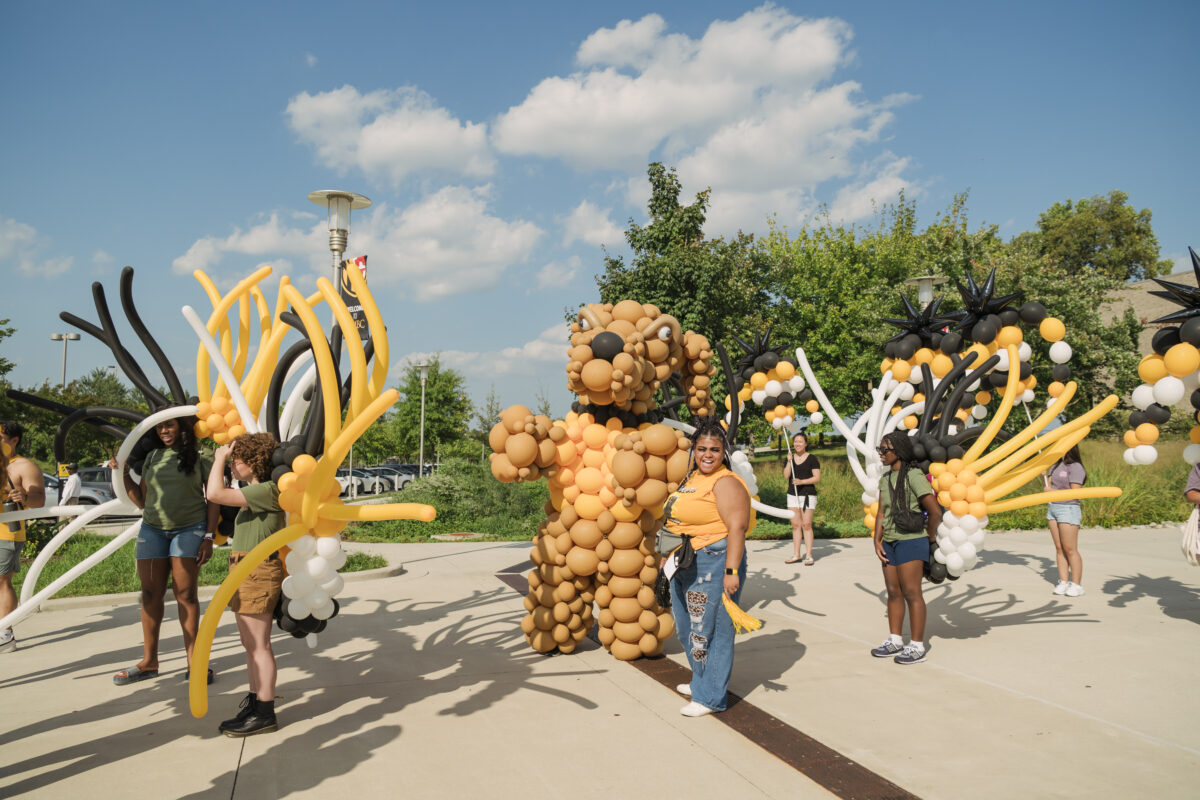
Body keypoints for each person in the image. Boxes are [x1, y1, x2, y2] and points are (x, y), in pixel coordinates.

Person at [113, 416, 218, 685]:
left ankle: (195, 663)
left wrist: (209, 536)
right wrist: (122, 473)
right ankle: (149, 662)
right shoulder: (154, 456)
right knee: (149, 594)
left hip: (189, 529)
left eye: (168, 425)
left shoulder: (202, 455)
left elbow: (214, 498)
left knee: (185, 594)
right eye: (160, 427)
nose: (163, 431)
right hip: (152, 530)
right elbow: (142, 500)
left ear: (183, 427)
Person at [663, 417, 751, 717]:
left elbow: (737, 527)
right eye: (701, 449)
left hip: (715, 559)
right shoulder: (693, 478)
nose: (707, 455)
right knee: (689, 626)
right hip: (686, 558)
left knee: (712, 629)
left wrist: (731, 572)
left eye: (714, 449)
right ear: (694, 450)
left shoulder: (725, 481)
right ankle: (701, 679)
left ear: (723, 451)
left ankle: (711, 697)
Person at [207, 433, 286, 737]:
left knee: (259, 646)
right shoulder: (255, 491)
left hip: (256, 569)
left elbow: (214, 493)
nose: (232, 464)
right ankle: (255, 703)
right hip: (244, 569)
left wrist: (218, 459)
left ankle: (265, 711)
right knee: (250, 645)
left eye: (236, 458)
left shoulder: (267, 490)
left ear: (253, 462)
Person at [871, 430, 942, 665]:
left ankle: (917, 646)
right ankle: (895, 639)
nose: (880, 454)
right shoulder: (885, 479)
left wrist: (929, 539)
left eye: (885, 450)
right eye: (879, 449)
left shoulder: (913, 475)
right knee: (893, 592)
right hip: (889, 542)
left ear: (898, 451)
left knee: (912, 593)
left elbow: (934, 511)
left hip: (912, 540)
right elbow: (882, 513)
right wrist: (876, 540)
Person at [2, 420, 45, 654]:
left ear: (14, 441)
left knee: (1, 581)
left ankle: (5, 633)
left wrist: (25, 498)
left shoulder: (23, 466)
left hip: (7, 531)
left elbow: (39, 498)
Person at [1043, 445, 1087, 597]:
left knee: (1070, 549)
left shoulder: (1075, 467)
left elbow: (1075, 494)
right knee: (1059, 548)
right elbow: (1048, 488)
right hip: (1053, 508)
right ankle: (1063, 581)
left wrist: (1052, 492)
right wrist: (1043, 476)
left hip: (1068, 509)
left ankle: (1076, 585)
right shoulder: (1055, 466)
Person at [783, 432, 820, 565]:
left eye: (800, 441)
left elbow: (817, 478)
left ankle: (809, 555)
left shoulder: (812, 459)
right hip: (792, 495)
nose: (797, 444)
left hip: (807, 495)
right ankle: (796, 554)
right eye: (795, 441)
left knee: (806, 525)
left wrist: (802, 482)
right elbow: (786, 475)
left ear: (805, 443)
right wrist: (788, 462)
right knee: (795, 525)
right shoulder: (790, 458)